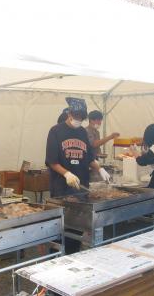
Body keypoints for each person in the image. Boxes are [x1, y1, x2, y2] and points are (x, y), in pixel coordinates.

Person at [46, 98, 110, 253]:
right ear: (69, 113)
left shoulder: (82, 132)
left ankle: (73, 258)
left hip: (81, 189)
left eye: (82, 117)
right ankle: (56, 259)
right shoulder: (55, 131)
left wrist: (99, 168)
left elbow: (88, 157)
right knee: (61, 229)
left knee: (78, 229)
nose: (79, 120)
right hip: (61, 189)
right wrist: (67, 174)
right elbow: (51, 161)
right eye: (76, 116)